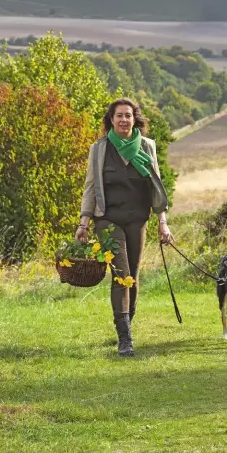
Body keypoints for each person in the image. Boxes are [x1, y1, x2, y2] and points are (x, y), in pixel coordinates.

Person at [75, 97, 173, 357]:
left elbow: (156, 187)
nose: (123, 120)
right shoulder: (100, 149)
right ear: (111, 120)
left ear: (135, 119)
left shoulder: (147, 147)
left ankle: (125, 322)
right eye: (118, 115)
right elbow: (91, 187)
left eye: (128, 115)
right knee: (122, 274)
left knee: (134, 277)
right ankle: (125, 338)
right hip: (108, 219)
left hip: (138, 219)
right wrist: (84, 222)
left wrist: (163, 222)